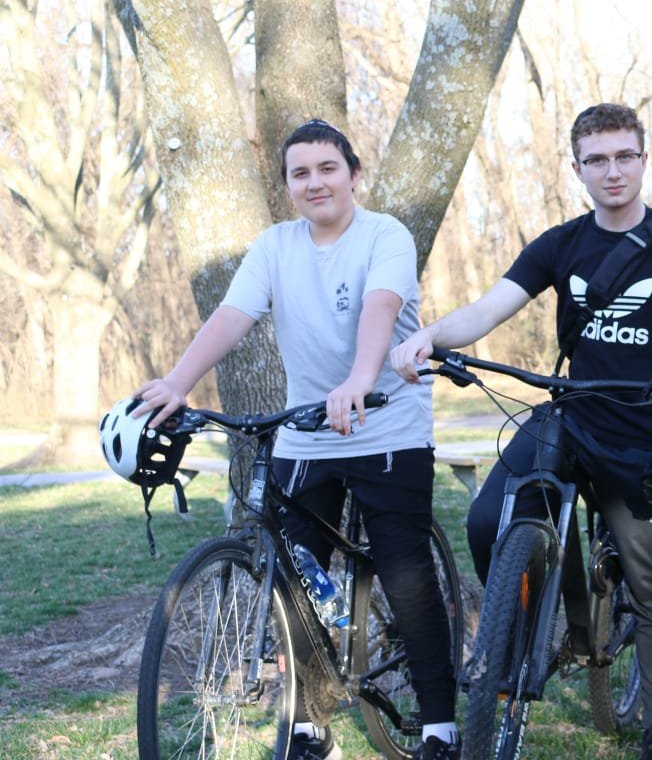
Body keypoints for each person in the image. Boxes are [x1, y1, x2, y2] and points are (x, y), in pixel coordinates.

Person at [389, 102, 652, 760]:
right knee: (487, 520)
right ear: (577, 169)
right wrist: (429, 336)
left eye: (624, 156)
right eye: (597, 160)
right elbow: (488, 310)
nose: (613, 171)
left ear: (644, 158)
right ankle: (522, 631)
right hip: (573, 417)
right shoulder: (560, 244)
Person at [132, 120, 458, 760]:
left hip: (387, 427)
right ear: (286, 185)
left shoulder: (384, 235)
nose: (315, 183)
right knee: (295, 580)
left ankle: (440, 727)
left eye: (327, 168)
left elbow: (381, 307)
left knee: (404, 574)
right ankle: (310, 727)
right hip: (308, 434)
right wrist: (177, 382)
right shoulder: (275, 246)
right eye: (299, 173)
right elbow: (232, 316)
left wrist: (359, 380)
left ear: (353, 175)